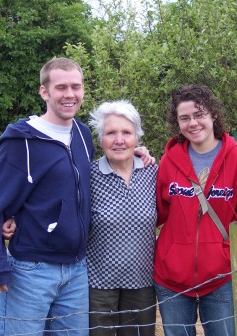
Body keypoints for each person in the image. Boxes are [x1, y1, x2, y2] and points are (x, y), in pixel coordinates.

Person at [0, 58, 152, 336]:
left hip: (76, 269)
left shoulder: (83, 135)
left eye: (76, 86)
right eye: (61, 87)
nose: (69, 94)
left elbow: (88, 177)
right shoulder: (21, 141)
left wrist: (135, 153)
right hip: (32, 268)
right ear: (44, 92)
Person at [154, 84, 237, 336]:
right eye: (185, 118)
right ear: (177, 122)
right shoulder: (169, 161)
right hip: (172, 278)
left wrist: (224, 257)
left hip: (221, 278)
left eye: (199, 114)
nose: (193, 123)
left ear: (213, 114)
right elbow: (157, 212)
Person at [86, 100, 157, 336]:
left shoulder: (153, 173)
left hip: (142, 282)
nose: (119, 140)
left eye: (126, 133)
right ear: (100, 139)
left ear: (137, 138)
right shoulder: (88, 176)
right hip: (98, 286)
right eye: (111, 133)